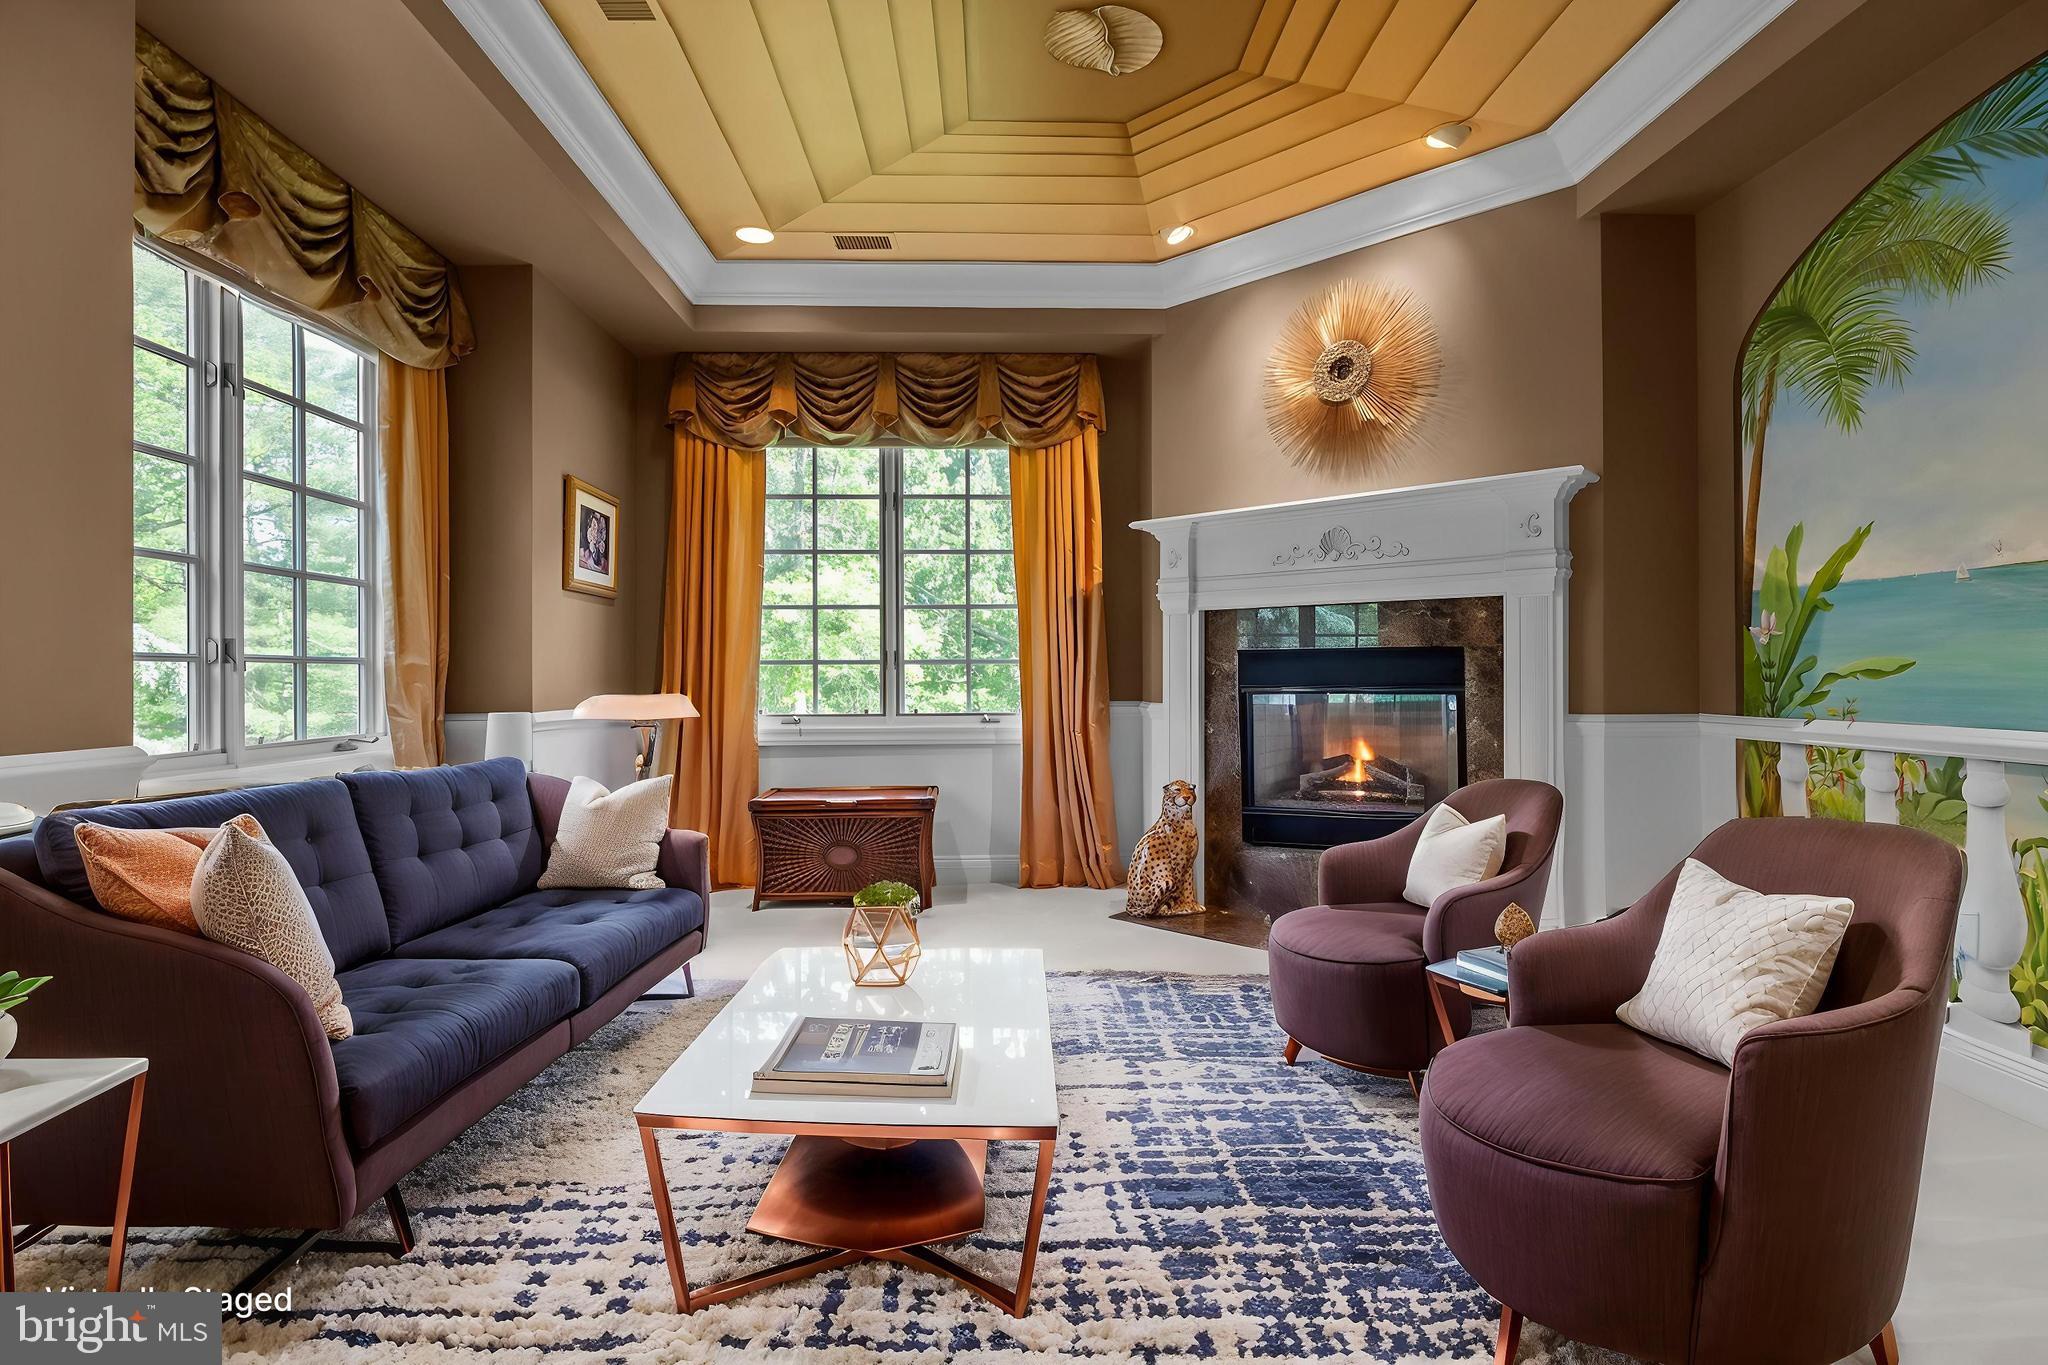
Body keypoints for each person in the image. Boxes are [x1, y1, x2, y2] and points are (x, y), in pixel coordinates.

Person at [579, 507, 610, 574]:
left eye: (601, 530)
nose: (597, 534)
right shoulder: (581, 559)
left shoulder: (605, 564)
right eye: (594, 528)